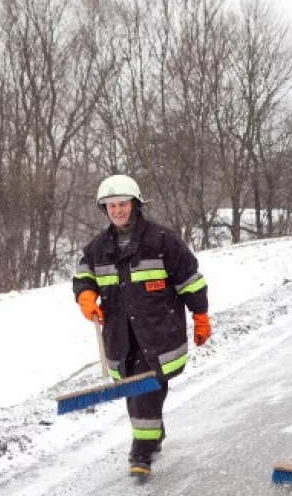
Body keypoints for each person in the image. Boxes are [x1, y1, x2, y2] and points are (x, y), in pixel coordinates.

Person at [73, 175, 211, 477]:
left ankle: (142, 452)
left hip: (159, 333)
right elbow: (84, 274)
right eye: (111, 206)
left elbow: (190, 280)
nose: (117, 211)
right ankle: (153, 432)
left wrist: (200, 316)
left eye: (122, 204)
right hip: (120, 336)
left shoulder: (162, 240)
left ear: (135, 204)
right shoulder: (98, 247)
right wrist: (86, 296)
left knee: (146, 389)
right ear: (104, 209)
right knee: (136, 390)